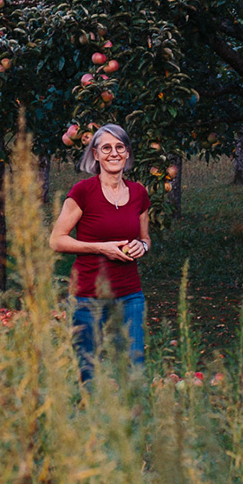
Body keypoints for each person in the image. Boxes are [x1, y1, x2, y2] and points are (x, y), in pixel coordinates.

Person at [49, 124, 151, 385]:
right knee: (89, 372)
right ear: (95, 154)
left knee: (133, 371)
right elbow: (56, 240)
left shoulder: (139, 193)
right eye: (106, 148)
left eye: (119, 147)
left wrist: (143, 246)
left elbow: (145, 237)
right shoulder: (83, 192)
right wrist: (100, 247)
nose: (113, 153)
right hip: (87, 297)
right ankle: (91, 423)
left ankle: (132, 425)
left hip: (130, 296)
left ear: (127, 153)